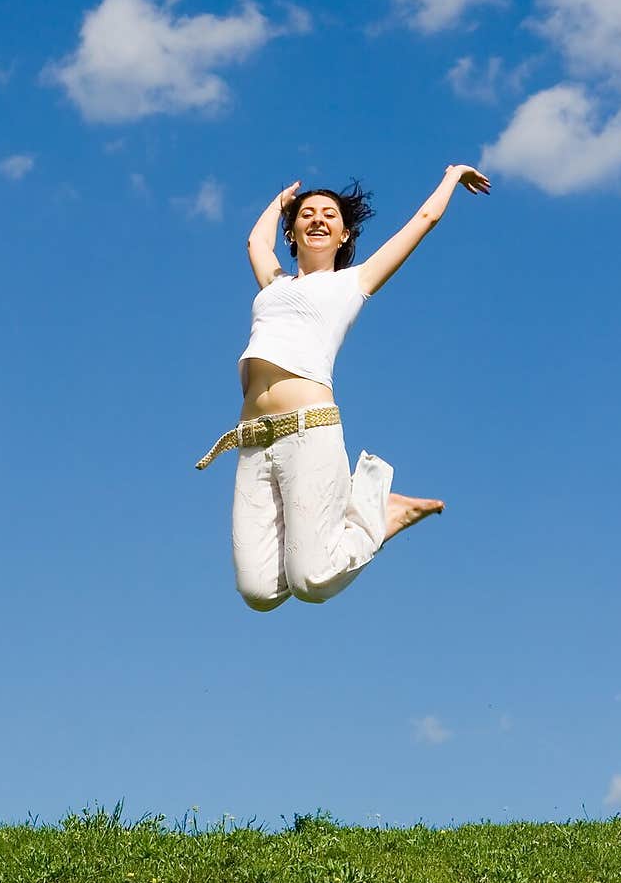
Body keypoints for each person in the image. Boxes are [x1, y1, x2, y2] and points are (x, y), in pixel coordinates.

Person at [196, 163, 490, 610]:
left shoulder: (352, 283)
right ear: (292, 232)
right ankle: (339, 525)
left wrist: (450, 178)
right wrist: (280, 204)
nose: (318, 218)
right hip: (253, 442)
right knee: (258, 592)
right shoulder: (273, 285)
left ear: (344, 236)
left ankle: (384, 510)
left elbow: (423, 222)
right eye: (307, 213)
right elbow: (256, 242)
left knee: (311, 581)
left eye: (330, 215)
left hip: (308, 432)